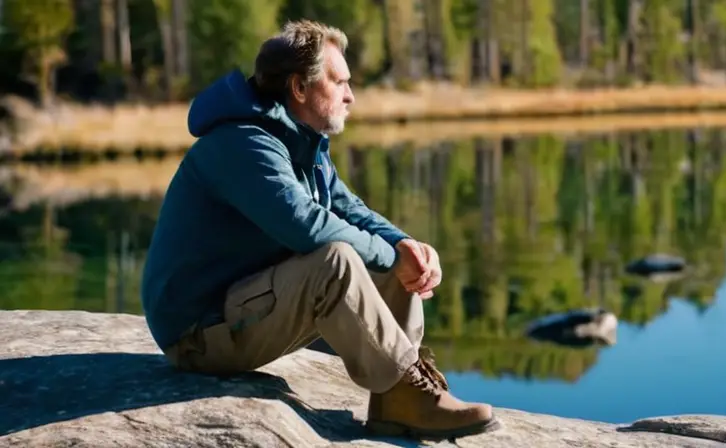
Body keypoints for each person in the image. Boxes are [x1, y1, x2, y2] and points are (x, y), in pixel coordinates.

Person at [140, 19, 500, 440]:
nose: (351, 96)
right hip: (200, 334)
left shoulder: (299, 142)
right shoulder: (242, 144)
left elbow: (350, 209)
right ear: (299, 88)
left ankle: (400, 396)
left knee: (384, 253)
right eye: (340, 82)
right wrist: (391, 255)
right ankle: (405, 389)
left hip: (245, 307)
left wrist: (406, 247)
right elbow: (308, 228)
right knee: (337, 258)